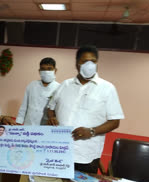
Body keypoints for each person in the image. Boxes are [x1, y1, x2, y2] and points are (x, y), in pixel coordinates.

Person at [47, 45, 124, 174]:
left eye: (93, 61)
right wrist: (52, 117)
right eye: (84, 61)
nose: (89, 65)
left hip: (86, 155)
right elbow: (51, 108)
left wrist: (92, 131)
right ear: (77, 63)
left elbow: (115, 121)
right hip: (58, 150)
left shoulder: (107, 88)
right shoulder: (65, 85)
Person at [16, 57, 60, 125]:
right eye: (43, 69)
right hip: (29, 125)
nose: (46, 72)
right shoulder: (32, 85)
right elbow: (24, 106)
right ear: (39, 71)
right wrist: (19, 121)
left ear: (55, 70)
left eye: (49, 69)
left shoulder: (59, 88)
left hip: (46, 127)